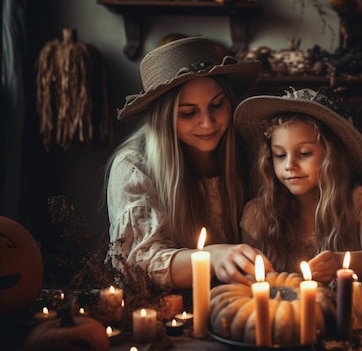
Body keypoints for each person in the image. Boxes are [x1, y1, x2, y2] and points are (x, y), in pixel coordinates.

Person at [104, 37, 273, 291]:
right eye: (188, 112)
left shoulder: (249, 149)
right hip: (169, 308)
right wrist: (211, 258)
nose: (208, 122)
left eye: (217, 105)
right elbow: (138, 263)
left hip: (243, 298)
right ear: (163, 118)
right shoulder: (132, 166)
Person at [234, 88, 362, 302]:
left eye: (304, 153)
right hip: (289, 321)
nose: (289, 165)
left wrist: (340, 263)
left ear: (332, 156)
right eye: (279, 155)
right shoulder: (257, 214)